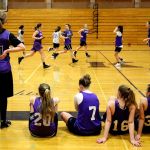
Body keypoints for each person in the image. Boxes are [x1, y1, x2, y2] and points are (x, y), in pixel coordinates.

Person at [0, 11, 25, 128]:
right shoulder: (7, 35)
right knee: (3, 96)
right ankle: (3, 121)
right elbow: (22, 47)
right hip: (4, 70)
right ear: (5, 21)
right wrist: (7, 50)